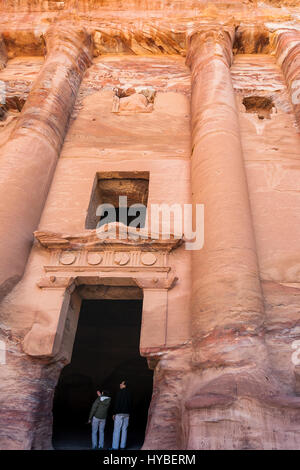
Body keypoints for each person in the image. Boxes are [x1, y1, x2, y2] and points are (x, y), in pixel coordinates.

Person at [111, 380, 131, 450]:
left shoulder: (119, 392)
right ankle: (123, 446)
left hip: (119, 414)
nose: (120, 384)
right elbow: (131, 404)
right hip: (127, 414)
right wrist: (129, 414)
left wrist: (114, 413)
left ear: (124, 385)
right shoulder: (129, 393)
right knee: (124, 430)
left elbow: (117, 403)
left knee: (117, 430)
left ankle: (115, 447)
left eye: (121, 383)